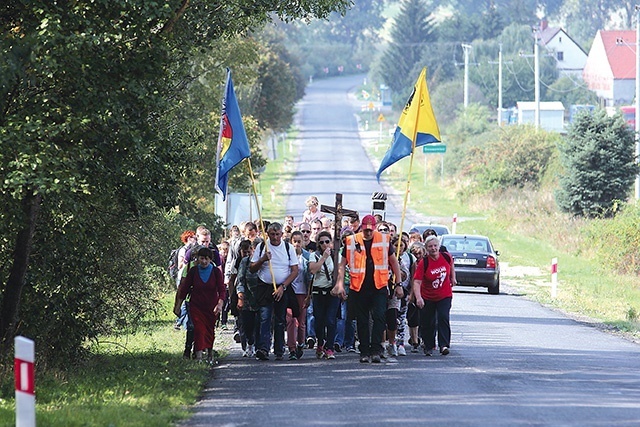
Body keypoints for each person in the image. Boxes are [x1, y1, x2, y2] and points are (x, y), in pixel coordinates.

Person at [334, 215, 402, 363]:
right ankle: (364, 351)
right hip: (359, 286)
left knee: (379, 317)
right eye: (366, 230)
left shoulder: (384, 240)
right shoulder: (352, 241)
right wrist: (339, 284)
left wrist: (398, 284)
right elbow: (342, 264)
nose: (368, 233)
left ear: (375, 228)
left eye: (371, 230)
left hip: (379, 285)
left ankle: (376, 349)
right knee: (362, 320)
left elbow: (394, 262)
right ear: (362, 228)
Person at [250, 222, 298, 361]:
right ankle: (263, 348)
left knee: (280, 319)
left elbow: (294, 271)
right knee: (264, 318)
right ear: (268, 234)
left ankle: (279, 350)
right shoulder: (262, 247)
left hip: (282, 287)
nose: (275, 237)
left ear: (282, 234)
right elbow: (252, 268)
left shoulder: (288, 248)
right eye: (272, 234)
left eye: (277, 234)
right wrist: (263, 259)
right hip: (265, 286)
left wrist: (283, 286)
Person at [173, 247, 226, 362]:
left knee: (209, 330)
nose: (204, 261)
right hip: (196, 306)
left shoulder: (216, 272)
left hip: (211, 307)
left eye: (206, 259)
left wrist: (220, 304)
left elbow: (222, 289)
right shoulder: (193, 271)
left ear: (210, 259)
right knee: (199, 329)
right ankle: (198, 356)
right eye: (202, 258)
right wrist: (178, 306)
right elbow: (184, 289)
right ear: (197, 259)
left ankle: (210, 353)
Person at [413, 235, 456, 356]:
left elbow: (451, 265)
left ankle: (444, 345)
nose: (433, 248)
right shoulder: (424, 263)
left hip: (444, 294)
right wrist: (418, 297)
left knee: (443, 317)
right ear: (426, 249)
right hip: (428, 296)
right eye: (430, 247)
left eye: (435, 246)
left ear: (439, 246)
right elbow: (417, 281)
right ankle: (429, 345)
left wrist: (453, 277)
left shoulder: (446, 256)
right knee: (428, 322)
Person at [308, 231, 340, 359]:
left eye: (327, 241)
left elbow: (340, 271)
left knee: (331, 320)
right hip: (318, 292)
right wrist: (323, 258)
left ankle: (330, 348)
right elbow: (313, 270)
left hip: (331, 292)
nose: (325, 244)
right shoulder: (314, 256)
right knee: (319, 321)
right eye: (322, 242)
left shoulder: (336, 255)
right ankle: (320, 343)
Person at [286, 230, 310, 360]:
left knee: (300, 322)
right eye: (294, 241)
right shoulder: (287, 256)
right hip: (291, 292)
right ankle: (292, 348)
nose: (297, 244)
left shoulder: (306, 257)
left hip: (302, 291)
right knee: (290, 320)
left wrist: (309, 294)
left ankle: (301, 343)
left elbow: (310, 275)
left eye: (299, 241)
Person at [235, 239, 261, 358]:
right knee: (248, 324)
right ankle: (249, 343)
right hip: (247, 298)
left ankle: (261, 346)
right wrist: (240, 296)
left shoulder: (267, 262)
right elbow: (240, 280)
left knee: (262, 323)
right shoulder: (245, 262)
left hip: (262, 297)